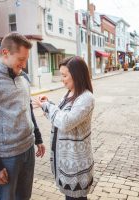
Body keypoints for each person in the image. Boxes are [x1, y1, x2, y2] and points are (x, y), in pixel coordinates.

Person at [0, 32, 45, 200]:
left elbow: (28, 109)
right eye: (21, 59)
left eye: (26, 59)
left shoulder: (24, 77)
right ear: (5, 53)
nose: (24, 64)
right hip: (7, 157)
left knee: (24, 197)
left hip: (28, 150)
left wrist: (38, 138)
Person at [33, 56, 94, 200]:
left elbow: (66, 122)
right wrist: (49, 104)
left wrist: (48, 107)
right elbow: (59, 117)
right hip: (66, 163)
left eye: (65, 75)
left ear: (77, 75)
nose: (62, 79)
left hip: (76, 168)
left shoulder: (86, 98)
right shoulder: (69, 93)